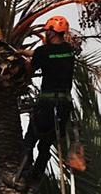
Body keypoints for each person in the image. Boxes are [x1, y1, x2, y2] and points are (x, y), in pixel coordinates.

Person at [20, 15, 76, 185]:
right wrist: (26, 52)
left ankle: (22, 175)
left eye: (47, 31)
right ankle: (34, 179)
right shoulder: (69, 50)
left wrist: (23, 61)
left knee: (30, 139)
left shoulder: (42, 52)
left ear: (52, 32)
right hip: (64, 105)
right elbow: (51, 55)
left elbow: (32, 67)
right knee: (45, 146)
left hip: (47, 104)